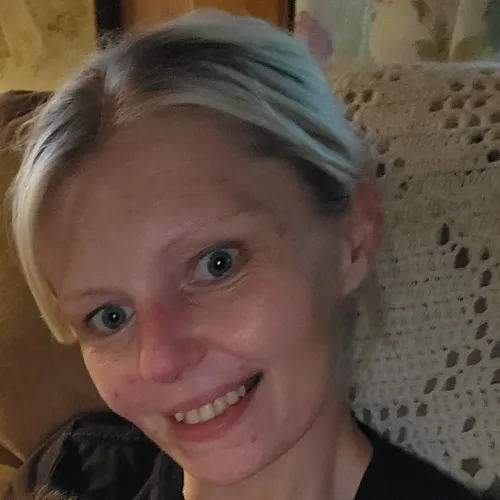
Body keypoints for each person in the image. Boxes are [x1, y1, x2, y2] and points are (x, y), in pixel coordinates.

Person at [4, 10, 482, 500]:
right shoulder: (69, 477)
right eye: (110, 316)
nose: (161, 361)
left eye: (217, 264)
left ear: (353, 237)